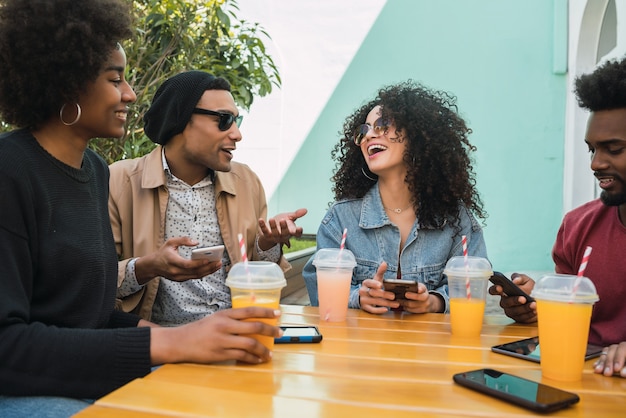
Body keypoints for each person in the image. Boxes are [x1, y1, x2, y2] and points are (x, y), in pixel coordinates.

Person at [0, 1, 282, 415]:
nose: (130, 94)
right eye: (116, 80)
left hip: (85, 377)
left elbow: (85, 320)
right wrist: (168, 340)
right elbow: (7, 346)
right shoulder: (11, 171)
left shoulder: (94, 171)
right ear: (67, 84)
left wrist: (197, 335)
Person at [109, 70, 307, 326]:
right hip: (160, 347)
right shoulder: (119, 182)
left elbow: (256, 275)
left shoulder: (246, 182)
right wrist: (148, 266)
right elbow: (94, 283)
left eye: (238, 121)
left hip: (237, 335)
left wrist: (267, 243)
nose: (237, 134)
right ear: (180, 118)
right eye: (224, 119)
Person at [489, 56, 626, 378]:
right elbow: (571, 312)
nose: (595, 163)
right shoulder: (578, 227)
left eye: (614, 149)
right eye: (592, 149)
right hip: (573, 379)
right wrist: (537, 307)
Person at [303, 80, 488, 314]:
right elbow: (317, 288)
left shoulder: (455, 219)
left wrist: (434, 302)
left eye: (382, 125)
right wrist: (358, 297)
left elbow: (474, 288)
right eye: (364, 130)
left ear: (418, 135)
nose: (369, 135)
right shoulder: (340, 218)